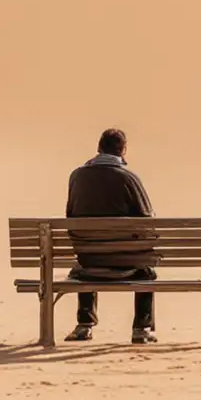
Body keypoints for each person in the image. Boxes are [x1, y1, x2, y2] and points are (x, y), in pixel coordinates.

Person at [63, 127, 159, 343]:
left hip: (90, 262)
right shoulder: (129, 179)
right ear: (123, 150)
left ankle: (84, 325)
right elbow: (147, 220)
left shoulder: (77, 177)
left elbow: (70, 216)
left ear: (98, 148)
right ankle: (141, 329)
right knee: (146, 273)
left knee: (83, 264)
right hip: (126, 265)